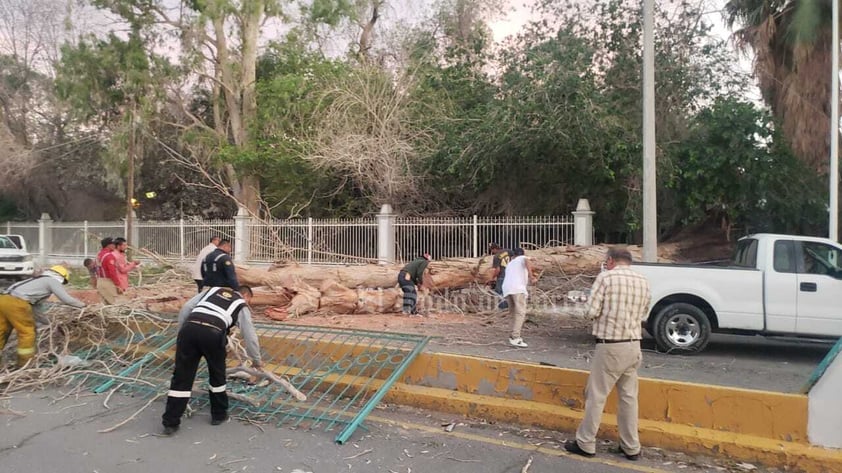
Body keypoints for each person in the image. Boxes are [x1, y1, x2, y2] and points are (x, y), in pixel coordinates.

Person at [564, 246, 651, 462]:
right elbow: (645, 312)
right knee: (629, 398)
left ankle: (585, 442)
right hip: (633, 345)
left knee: (596, 395)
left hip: (610, 345)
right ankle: (631, 446)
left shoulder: (605, 278)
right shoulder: (643, 280)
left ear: (611, 260)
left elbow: (591, 311)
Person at [161, 286, 262, 435]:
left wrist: (181, 335)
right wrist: (256, 361)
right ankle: (218, 415)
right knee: (217, 375)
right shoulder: (241, 304)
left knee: (182, 377)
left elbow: (186, 308)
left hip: (189, 329)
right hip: (213, 333)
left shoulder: (212, 290)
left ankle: (170, 422)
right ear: (246, 296)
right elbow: (250, 336)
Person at [0, 265, 86, 367]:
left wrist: (50, 323)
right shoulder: (52, 281)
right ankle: (25, 364)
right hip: (17, 303)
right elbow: (67, 299)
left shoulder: (36, 281)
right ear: (61, 277)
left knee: (2, 330)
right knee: (27, 333)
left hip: (3, 298)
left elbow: (36, 310)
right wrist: (84, 307)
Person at [501, 248, 535, 348]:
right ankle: (515, 337)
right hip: (517, 289)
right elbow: (526, 260)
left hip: (507, 289)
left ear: (513, 256)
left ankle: (513, 334)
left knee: (513, 313)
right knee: (520, 313)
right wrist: (531, 276)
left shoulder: (510, 263)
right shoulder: (523, 258)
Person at [96, 237, 120, 304]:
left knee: (105, 305)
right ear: (108, 245)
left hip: (100, 281)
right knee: (114, 305)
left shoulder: (99, 255)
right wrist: (118, 284)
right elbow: (112, 272)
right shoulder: (109, 256)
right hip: (107, 282)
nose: (115, 246)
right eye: (114, 244)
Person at [489, 243, 511, 310]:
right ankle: (510, 307)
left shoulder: (496, 256)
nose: (492, 252)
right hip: (511, 275)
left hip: (502, 276)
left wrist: (492, 278)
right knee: (508, 292)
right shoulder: (508, 251)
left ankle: (503, 309)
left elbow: (498, 270)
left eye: (492, 250)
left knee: (499, 292)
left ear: (495, 249)